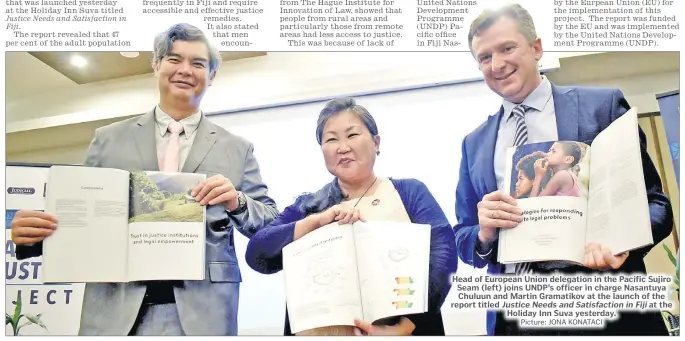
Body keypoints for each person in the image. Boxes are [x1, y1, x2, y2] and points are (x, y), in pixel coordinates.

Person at [9, 23, 280, 336]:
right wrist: (35, 236)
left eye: (198, 63)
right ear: (156, 65)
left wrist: (237, 201)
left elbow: (271, 223)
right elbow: (83, 221)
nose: (185, 70)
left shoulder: (238, 149)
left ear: (212, 75)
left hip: (204, 313)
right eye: (174, 60)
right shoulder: (108, 140)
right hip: (114, 309)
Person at [453, 3, 673, 336]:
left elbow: (656, 205)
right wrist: (484, 234)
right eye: (484, 57)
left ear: (537, 48)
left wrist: (622, 243)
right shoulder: (475, 143)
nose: (497, 64)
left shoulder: (601, 107)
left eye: (507, 48)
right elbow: (463, 234)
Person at [244, 97, 457, 336]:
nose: (342, 147)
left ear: (376, 142)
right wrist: (317, 221)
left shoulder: (409, 193)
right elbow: (257, 255)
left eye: (352, 135)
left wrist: (405, 327)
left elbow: (443, 257)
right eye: (331, 139)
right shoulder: (309, 206)